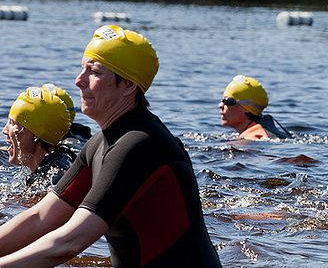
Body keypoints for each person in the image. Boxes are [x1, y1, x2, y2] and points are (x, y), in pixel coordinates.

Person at [0, 24, 222, 267]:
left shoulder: (140, 145)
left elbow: (70, 242)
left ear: (128, 86)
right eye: (82, 68)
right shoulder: (99, 143)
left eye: (94, 72)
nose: (78, 81)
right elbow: (40, 217)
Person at [3, 86, 75, 187]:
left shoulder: (56, 179)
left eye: (12, 123)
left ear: (35, 134)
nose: (4, 130)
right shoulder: (57, 162)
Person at [220, 75, 291, 140]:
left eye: (227, 101)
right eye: (222, 100)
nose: (220, 105)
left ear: (247, 108)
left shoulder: (252, 138)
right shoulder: (265, 129)